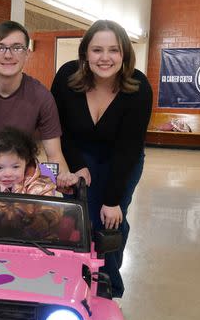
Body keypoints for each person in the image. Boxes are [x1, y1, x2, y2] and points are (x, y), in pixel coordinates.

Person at [50, 20, 153, 299]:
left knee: (110, 219)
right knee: (77, 218)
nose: (105, 58)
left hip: (120, 160)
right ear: (85, 53)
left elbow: (129, 148)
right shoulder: (67, 77)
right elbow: (58, 129)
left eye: (113, 50)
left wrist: (113, 200)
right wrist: (76, 165)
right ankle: (74, 280)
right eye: (97, 50)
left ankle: (107, 288)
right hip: (77, 155)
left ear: (124, 55)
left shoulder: (139, 87)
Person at [0, 20, 76, 188]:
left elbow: (54, 155)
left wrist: (63, 179)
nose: (8, 55)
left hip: (23, 182)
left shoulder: (42, 97)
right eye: (0, 47)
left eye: (17, 48)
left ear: (27, 54)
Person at [0, 127, 56, 195]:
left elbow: (48, 213)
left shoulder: (38, 186)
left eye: (15, 167)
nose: (8, 174)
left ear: (26, 163)